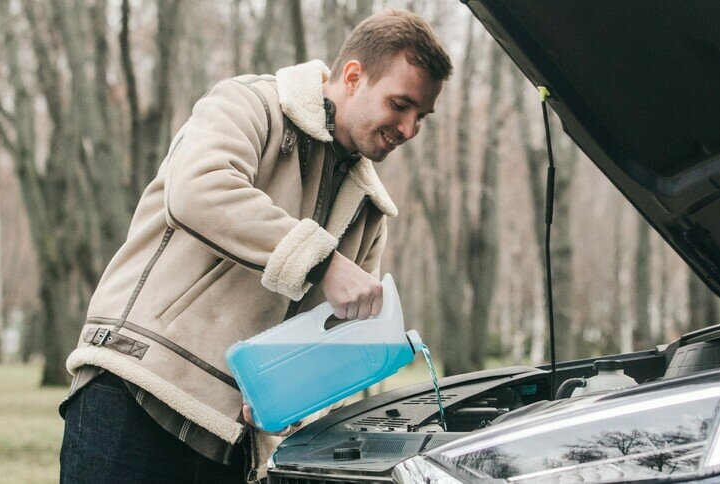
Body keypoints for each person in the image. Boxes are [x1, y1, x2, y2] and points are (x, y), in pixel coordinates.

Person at [58, 8, 452, 484]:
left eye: (421, 117)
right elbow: (198, 191)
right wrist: (325, 262)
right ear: (353, 76)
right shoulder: (249, 103)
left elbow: (328, 344)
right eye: (400, 104)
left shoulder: (371, 211)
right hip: (136, 392)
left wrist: (295, 401)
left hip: (232, 443)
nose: (409, 129)